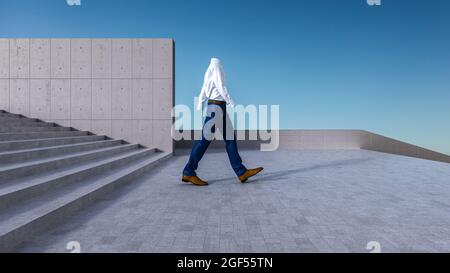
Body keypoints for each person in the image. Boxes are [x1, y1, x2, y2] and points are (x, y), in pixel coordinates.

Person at [182, 58, 264, 186]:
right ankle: (188, 171)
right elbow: (221, 86)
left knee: (229, 139)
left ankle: (241, 172)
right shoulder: (217, 66)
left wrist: (200, 103)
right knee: (204, 140)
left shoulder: (210, 69)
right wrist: (231, 102)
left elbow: (204, 88)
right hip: (217, 107)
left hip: (216, 107)